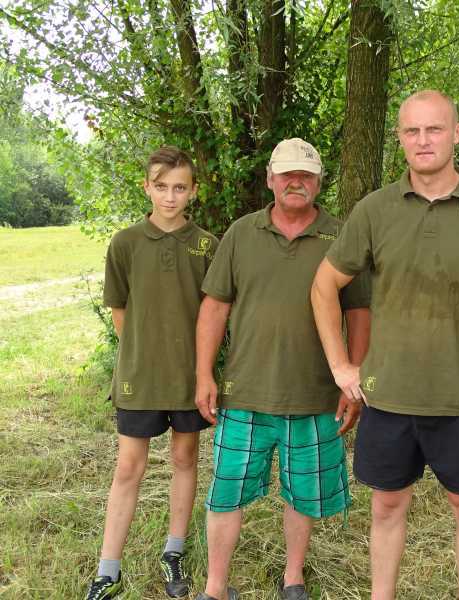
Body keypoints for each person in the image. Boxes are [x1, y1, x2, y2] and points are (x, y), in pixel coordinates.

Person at [311, 90, 459, 600]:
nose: (423, 140)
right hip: (387, 397)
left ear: (457, 134)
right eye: (412, 130)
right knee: (387, 507)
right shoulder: (375, 210)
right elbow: (323, 286)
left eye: (435, 129)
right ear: (400, 138)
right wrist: (341, 366)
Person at [193, 138, 370, 600]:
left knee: (303, 494)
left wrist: (352, 380)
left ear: (319, 182)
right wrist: (204, 374)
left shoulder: (342, 236)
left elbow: (359, 313)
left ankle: (293, 579)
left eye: (305, 175)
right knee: (226, 492)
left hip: (315, 394)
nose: (296, 182)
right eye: (287, 174)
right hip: (244, 391)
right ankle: (215, 587)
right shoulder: (241, 233)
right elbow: (215, 306)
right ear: (270, 179)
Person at [86, 147, 219, 600]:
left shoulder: (207, 245)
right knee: (129, 467)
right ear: (147, 187)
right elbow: (120, 311)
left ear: (193, 191)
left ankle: (173, 551)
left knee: (185, 458)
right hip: (139, 377)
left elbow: (214, 312)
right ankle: (108, 569)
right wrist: (144, 355)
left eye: (179, 187)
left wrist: (200, 369)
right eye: (161, 187)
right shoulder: (125, 243)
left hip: (189, 376)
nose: (170, 196)